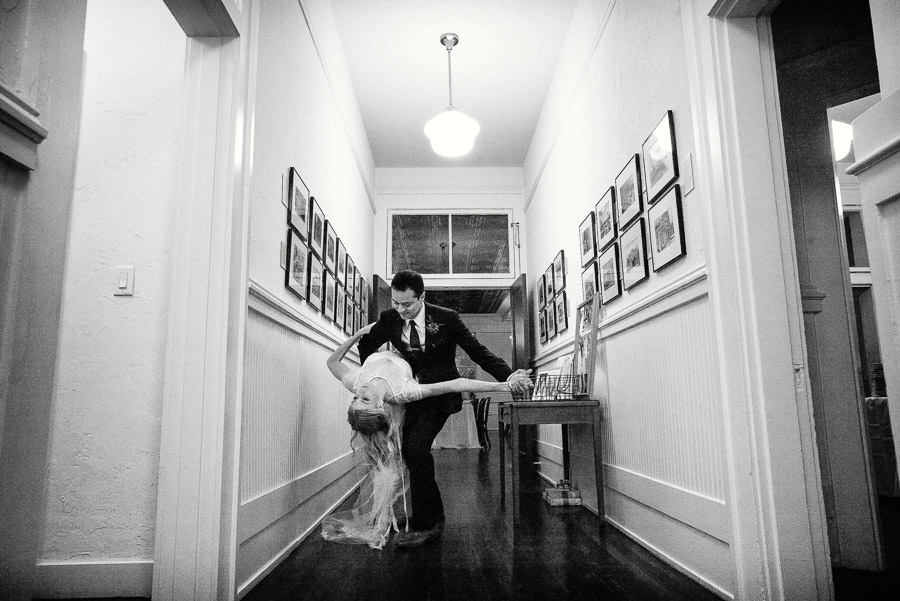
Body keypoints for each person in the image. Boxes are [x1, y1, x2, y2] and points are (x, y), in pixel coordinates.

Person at [357, 270, 532, 547]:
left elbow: (477, 351)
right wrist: (378, 377)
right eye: (396, 303)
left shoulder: (447, 318)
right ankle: (423, 515)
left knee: (416, 449)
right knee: (409, 452)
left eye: (407, 304)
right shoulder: (390, 318)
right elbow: (367, 346)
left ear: (422, 297)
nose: (401, 310)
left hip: (441, 395)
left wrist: (508, 376)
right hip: (411, 395)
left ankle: (429, 521)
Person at [323, 323, 531, 550]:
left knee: (415, 452)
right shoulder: (404, 391)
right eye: (364, 400)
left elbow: (332, 362)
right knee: (415, 452)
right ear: (380, 406)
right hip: (416, 355)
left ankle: (427, 518)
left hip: (396, 336)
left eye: (355, 400)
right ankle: (428, 519)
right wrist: (504, 386)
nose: (359, 395)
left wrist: (357, 335)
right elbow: (456, 384)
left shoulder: (356, 383)